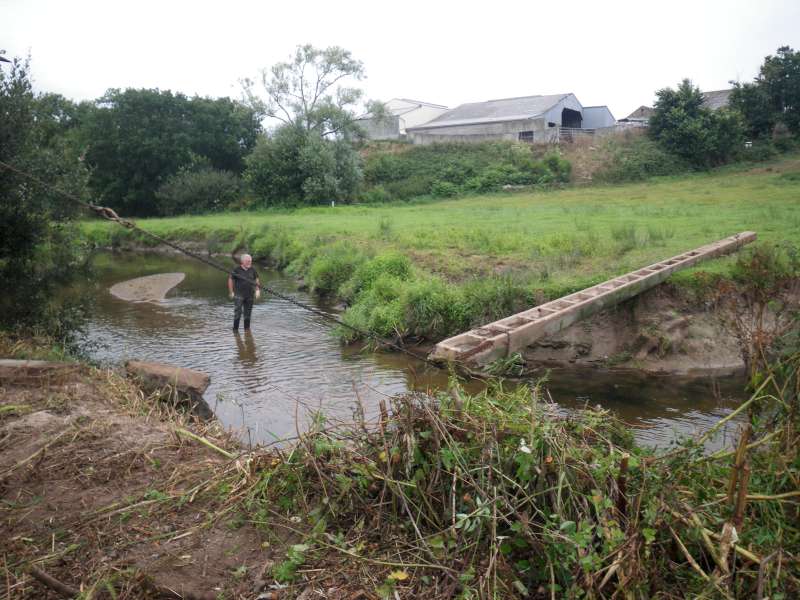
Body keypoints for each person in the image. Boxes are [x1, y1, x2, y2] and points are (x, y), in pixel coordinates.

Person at [228, 254, 261, 331]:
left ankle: (247, 330)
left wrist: (257, 290)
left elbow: (256, 279)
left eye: (250, 261)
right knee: (238, 312)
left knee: (248, 313)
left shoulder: (253, 269)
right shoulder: (236, 269)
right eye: (248, 261)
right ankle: (235, 330)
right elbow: (230, 279)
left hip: (250, 294)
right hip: (239, 294)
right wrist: (231, 292)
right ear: (242, 261)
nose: (250, 263)